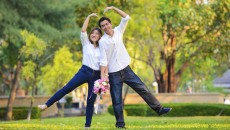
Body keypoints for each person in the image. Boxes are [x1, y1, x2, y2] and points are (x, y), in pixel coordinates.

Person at [98, 6, 172, 128]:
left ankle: (159, 109)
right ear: (101, 28)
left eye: (107, 24)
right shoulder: (102, 42)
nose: (106, 27)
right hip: (113, 74)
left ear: (110, 23)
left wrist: (113, 8)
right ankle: (120, 125)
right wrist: (102, 79)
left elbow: (126, 17)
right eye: (103, 26)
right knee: (117, 101)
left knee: (143, 88)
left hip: (126, 70)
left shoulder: (119, 31)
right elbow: (103, 60)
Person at [38, 13, 102, 129]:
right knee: (67, 88)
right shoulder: (85, 43)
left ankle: (87, 126)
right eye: (93, 32)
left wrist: (103, 80)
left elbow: (105, 63)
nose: (94, 34)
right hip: (84, 71)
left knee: (90, 100)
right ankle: (46, 104)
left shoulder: (102, 48)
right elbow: (83, 30)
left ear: (99, 37)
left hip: (96, 76)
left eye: (97, 33)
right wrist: (88, 17)